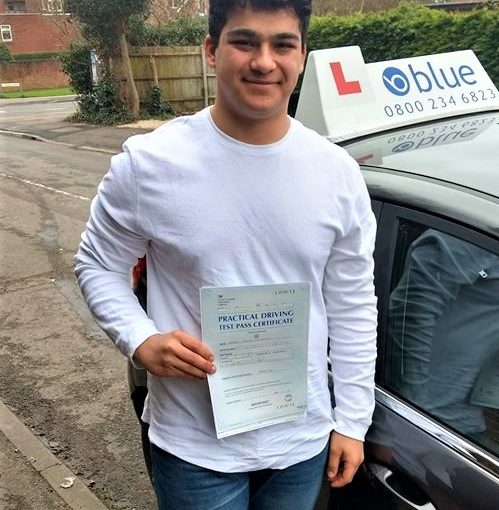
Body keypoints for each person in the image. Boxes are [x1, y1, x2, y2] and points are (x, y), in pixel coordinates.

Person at [75, 1, 378, 508]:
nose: (264, 61)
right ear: (212, 51)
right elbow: (98, 264)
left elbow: (351, 304)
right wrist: (141, 339)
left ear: (302, 55)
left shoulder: (338, 173)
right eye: (245, 42)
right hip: (195, 447)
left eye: (283, 44)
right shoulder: (149, 164)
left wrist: (352, 420)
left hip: (300, 443)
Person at [387, 229, 499, 437]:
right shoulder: (481, 229)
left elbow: (476, 308)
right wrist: (405, 418)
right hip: (425, 423)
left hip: (462, 422)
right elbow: (411, 312)